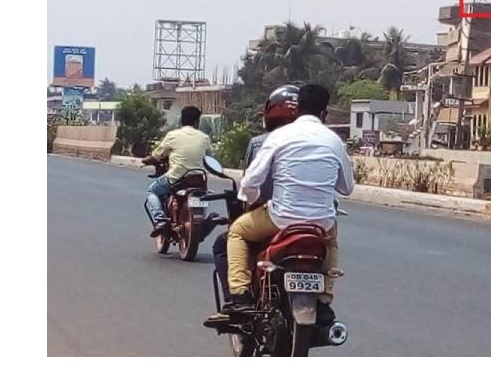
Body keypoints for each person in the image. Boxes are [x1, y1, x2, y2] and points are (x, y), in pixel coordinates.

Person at [219, 83, 354, 325]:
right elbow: (347, 188)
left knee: (237, 232)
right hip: (321, 224)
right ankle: (324, 301)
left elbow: (250, 181)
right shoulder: (335, 141)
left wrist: (253, 200)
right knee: (332, 240)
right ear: (325, 114)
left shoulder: (280, 136)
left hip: (280, 218)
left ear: (297, 109)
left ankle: (239, 296)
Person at [209, 85, 300, 308]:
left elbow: (250, 186)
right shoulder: (318, 142)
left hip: (273, 215)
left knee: (228, 240)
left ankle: (237, 298)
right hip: (314, 220)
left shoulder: (261, 143)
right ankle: (325, 300)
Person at [142, 105, 211, 236]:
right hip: (198, 179)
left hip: (176, 178)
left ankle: (160, 220)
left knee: (152, 191)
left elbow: (157, 155)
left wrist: (147, 160)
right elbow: (209, 158)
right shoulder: (204, 138)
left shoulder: (173, 135)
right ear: (197, 122)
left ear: (181, 121)